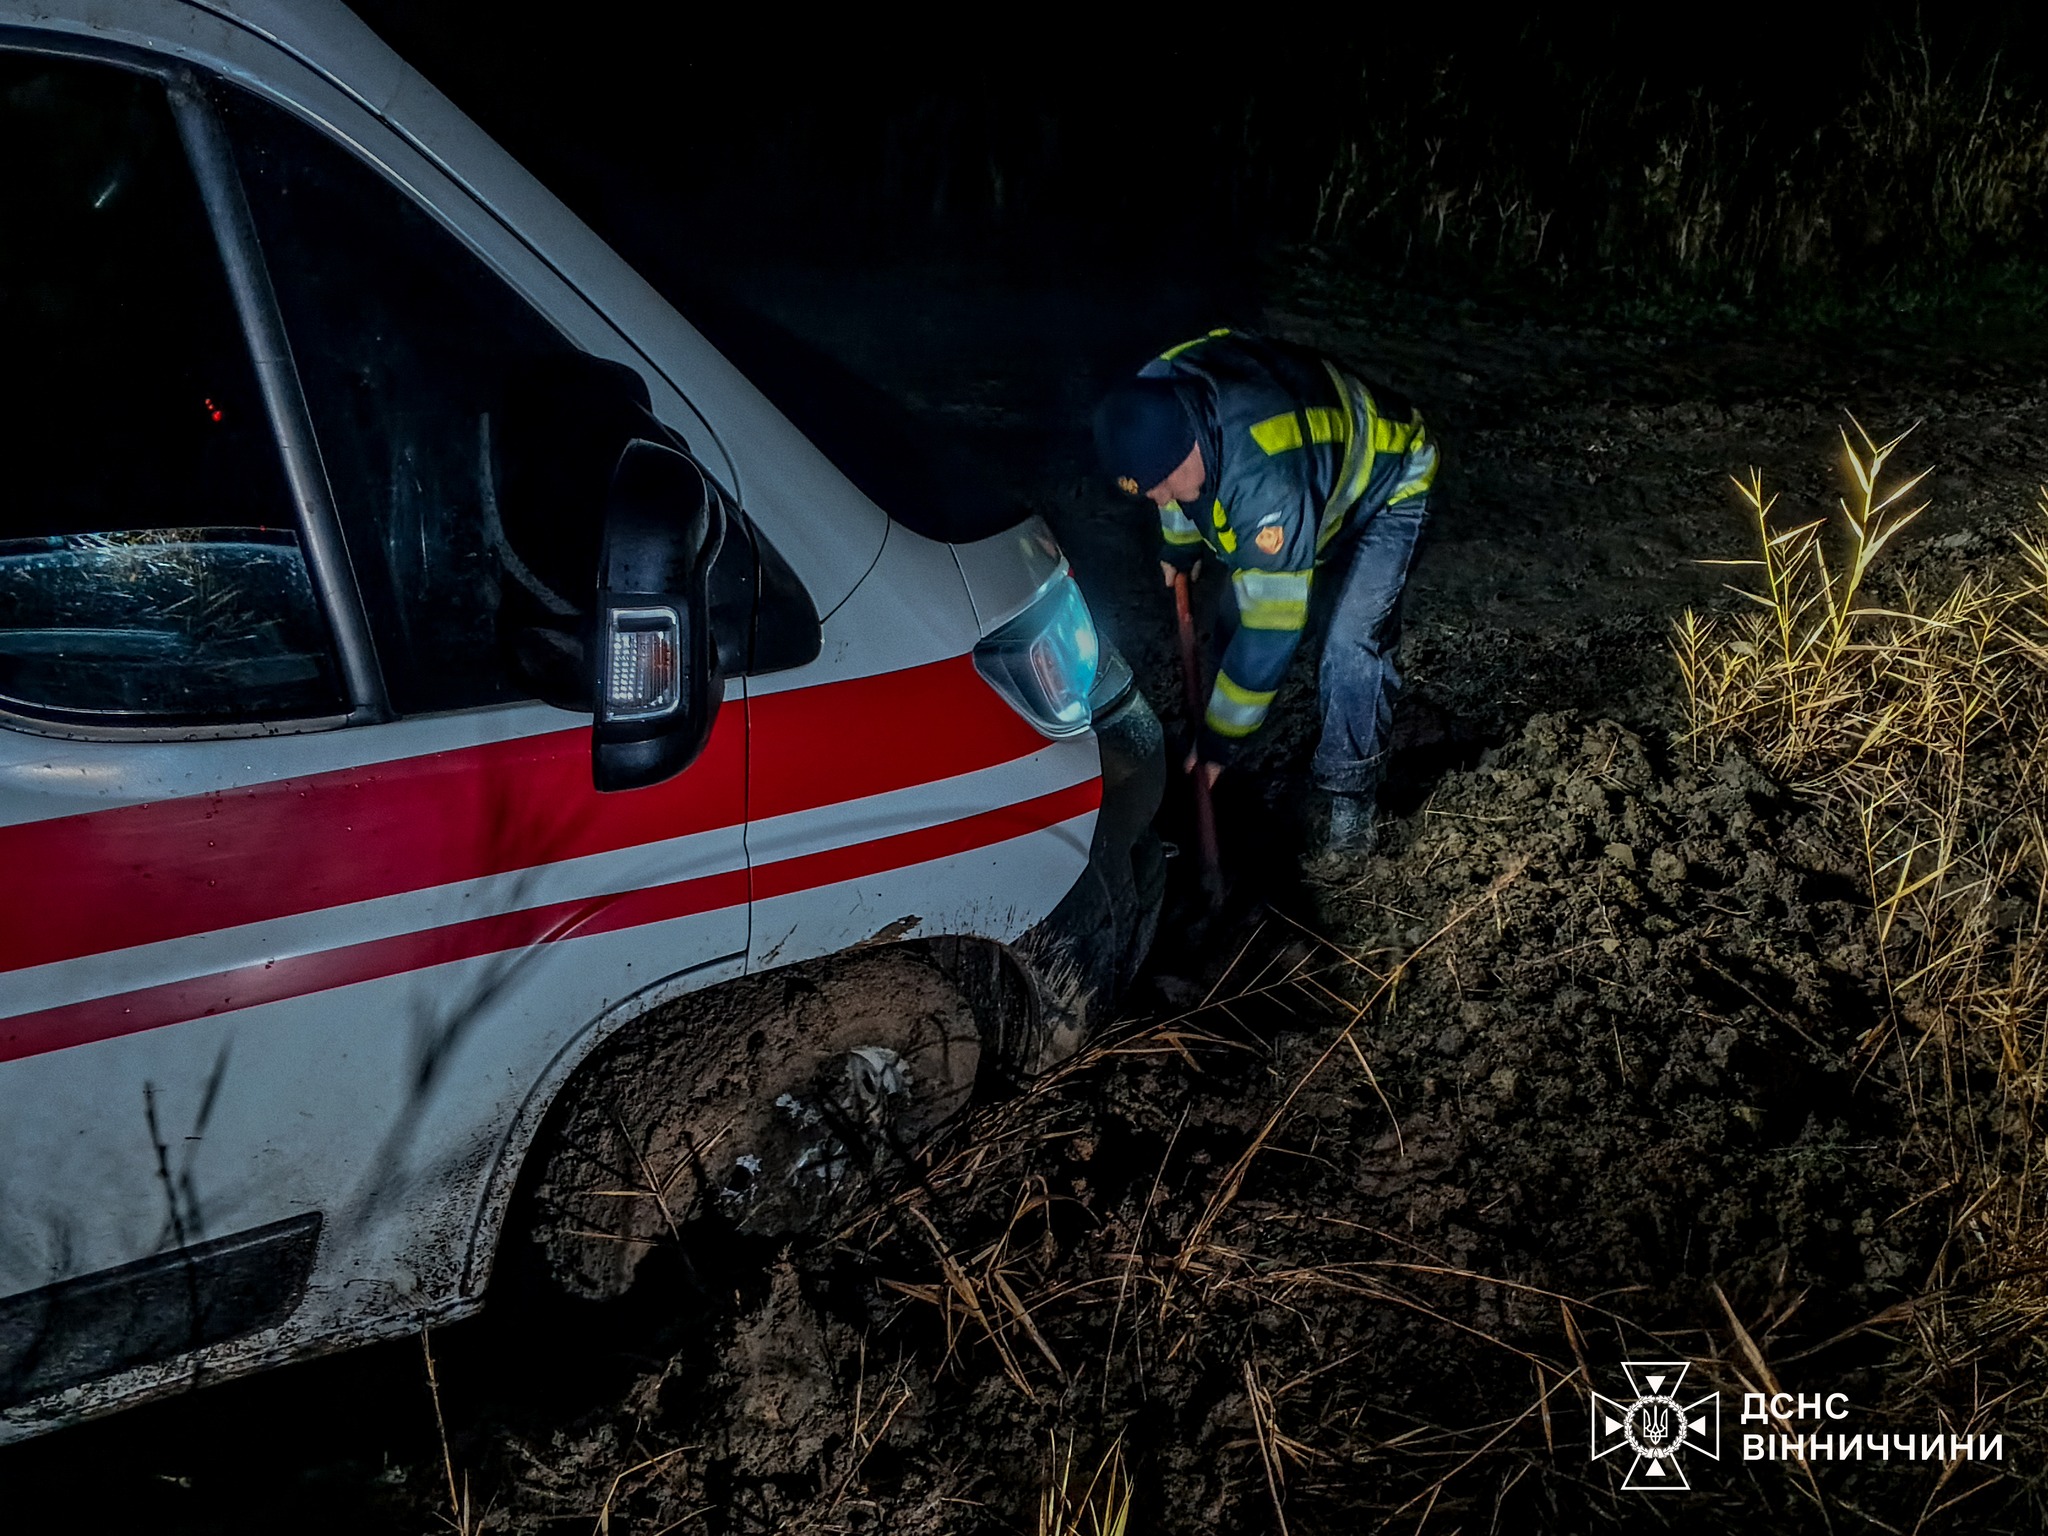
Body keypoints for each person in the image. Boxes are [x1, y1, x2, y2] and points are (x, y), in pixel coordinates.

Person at [1093, 328, 1436, 856]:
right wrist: (1180, 546)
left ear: (1190, 446)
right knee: (1231, 623)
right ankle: (1218, 767)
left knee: (1350, 644)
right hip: (1310, 468)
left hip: (1390, 479)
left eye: (1161, 483)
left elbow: (1271, 628)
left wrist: (1218, 745)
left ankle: (1350, 807)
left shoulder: (1264, 481)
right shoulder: (1158, 396)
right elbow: (1177, 493)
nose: (1158, 498)